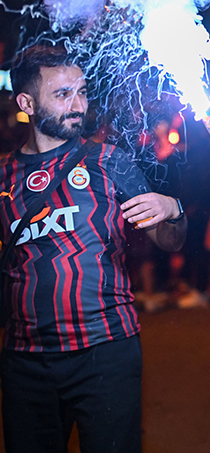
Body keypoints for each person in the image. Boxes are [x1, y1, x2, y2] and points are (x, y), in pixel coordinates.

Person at [0, 44, 186, 453]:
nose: (78, 104)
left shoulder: (109, 162)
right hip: (25, 361)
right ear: (26, 102)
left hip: (106, 352)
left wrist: (172, 209)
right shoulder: (4, 175)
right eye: (62, 94)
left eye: (81, 91)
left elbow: (171, 242)